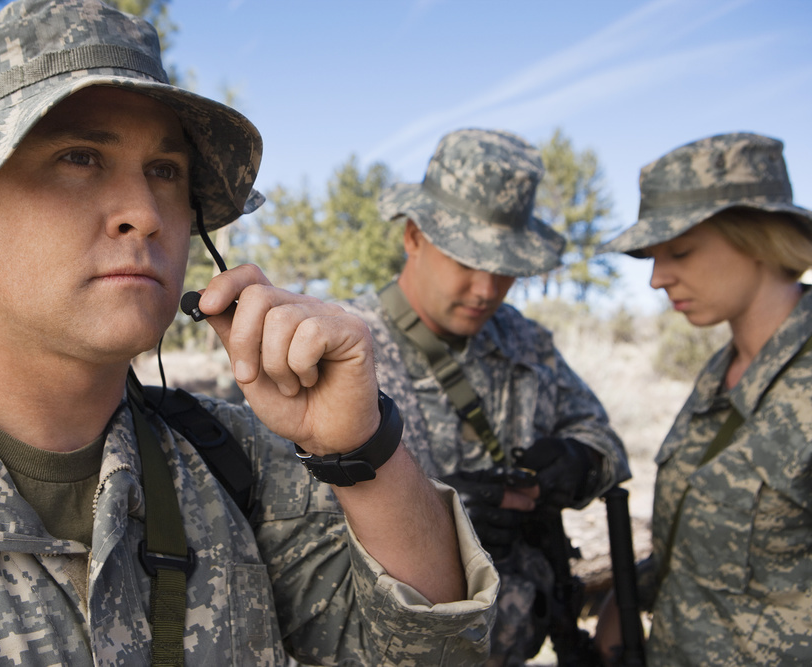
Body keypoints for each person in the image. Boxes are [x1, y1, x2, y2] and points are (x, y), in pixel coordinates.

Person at [0, 1, 501, 664]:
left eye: (165, 172)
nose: (144, 213)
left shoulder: (238, 463)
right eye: (79, 157)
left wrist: (362, 448)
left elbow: (439, 655)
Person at [342, 128, 630, 666]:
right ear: (413, 237)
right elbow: (299, 533)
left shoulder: (526, 342)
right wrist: (433, 519)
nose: (487, 289)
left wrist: (576, 463)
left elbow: (605, 443)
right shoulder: (345, 350)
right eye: (468, 262)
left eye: (505, 268)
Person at [593, 132, 812, 666]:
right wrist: (624, 601)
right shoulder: (721, 376)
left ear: (758, 238)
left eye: (681, 251)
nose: (656, 278)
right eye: (652, 256)